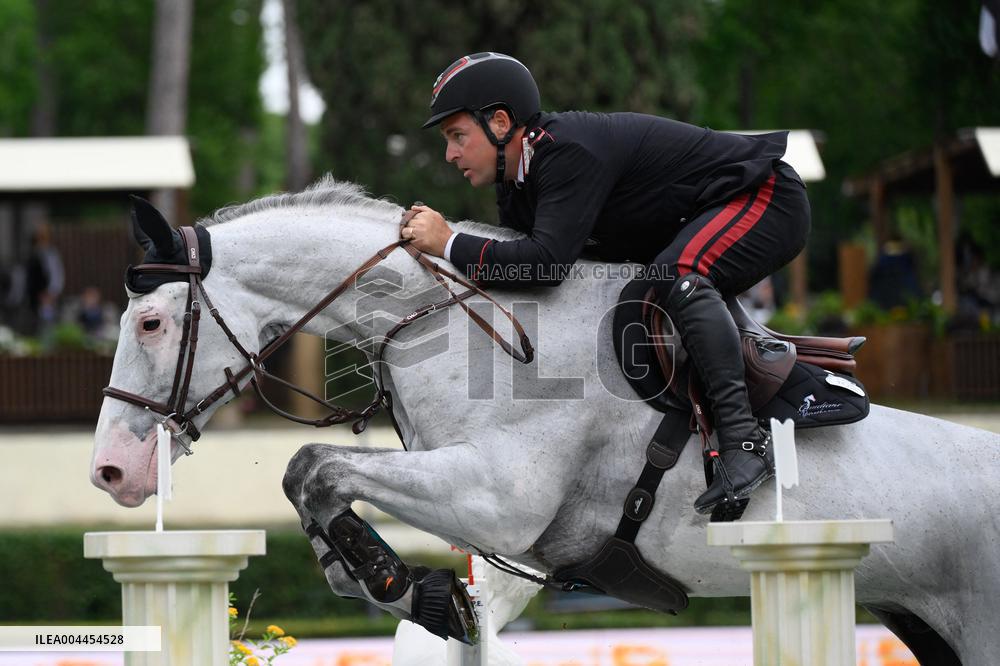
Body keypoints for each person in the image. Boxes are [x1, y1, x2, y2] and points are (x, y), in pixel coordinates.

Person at [402, 52, 811, 517]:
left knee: (676, 274)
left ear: (499, 123)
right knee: (651, 287)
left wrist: (448, 241)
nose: (449, 154)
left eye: (457, 136)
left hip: (765, 196)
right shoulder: (515, 184)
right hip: (709, 217)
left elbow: (544, 266)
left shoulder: (565, 151)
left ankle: (745, 443)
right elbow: (518, 275)